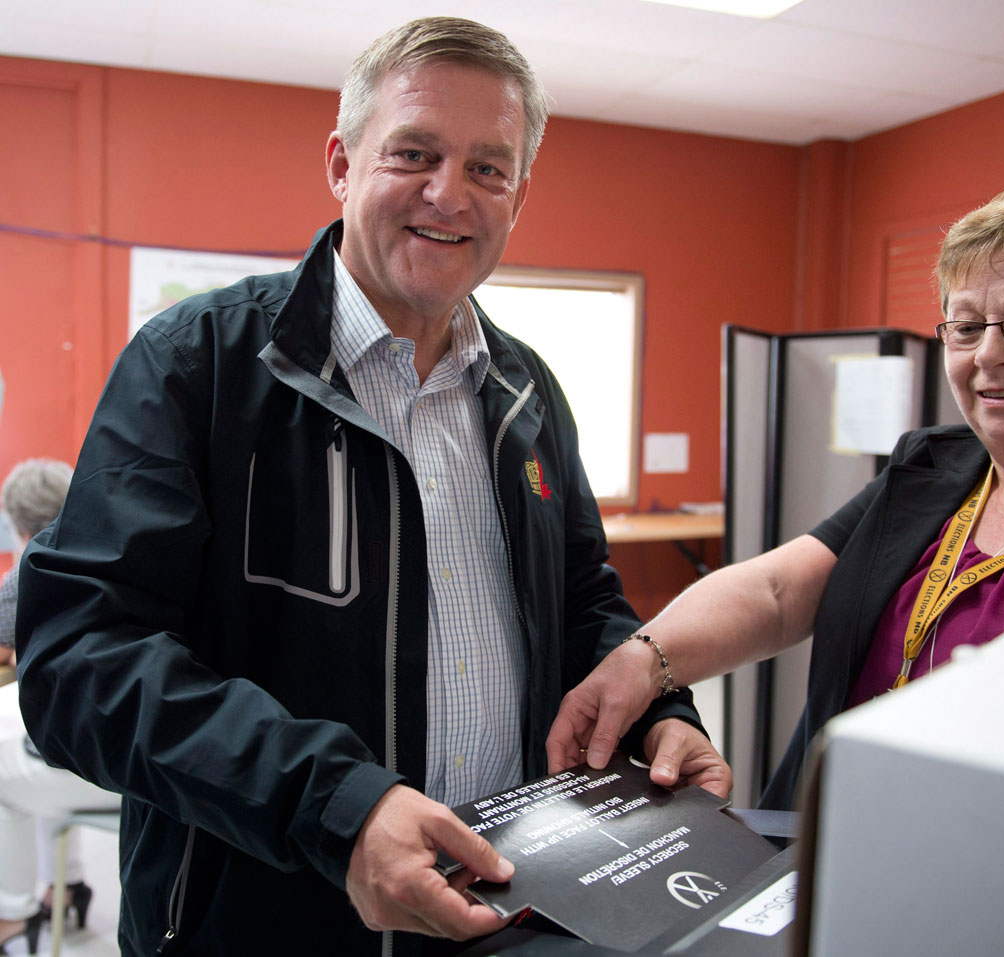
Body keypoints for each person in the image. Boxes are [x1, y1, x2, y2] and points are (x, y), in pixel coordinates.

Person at [16, 18, 728, 956]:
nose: (449, 194)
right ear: (343, 164)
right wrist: (340, 807)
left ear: (519, 191)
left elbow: (582, 605)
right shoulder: (199, 364)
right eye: (415, 152)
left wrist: (659, 714)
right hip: (263, 927)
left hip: (506, 914)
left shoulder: (529, 391)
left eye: (488, 167)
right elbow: (79, 660)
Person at [547, 168, 1004, 810]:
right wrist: (644, 661)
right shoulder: (929, 466)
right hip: (812, 846)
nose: (989, 354)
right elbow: (777, 593)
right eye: (967, 325)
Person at [1, 459, 118, 954]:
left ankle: (11, 915)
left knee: (11, 763)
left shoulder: (36, 566)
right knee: (40, 731)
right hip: (137, 747)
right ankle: (64, 888)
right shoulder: (112, 544)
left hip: (105, 763)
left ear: (17, 522)